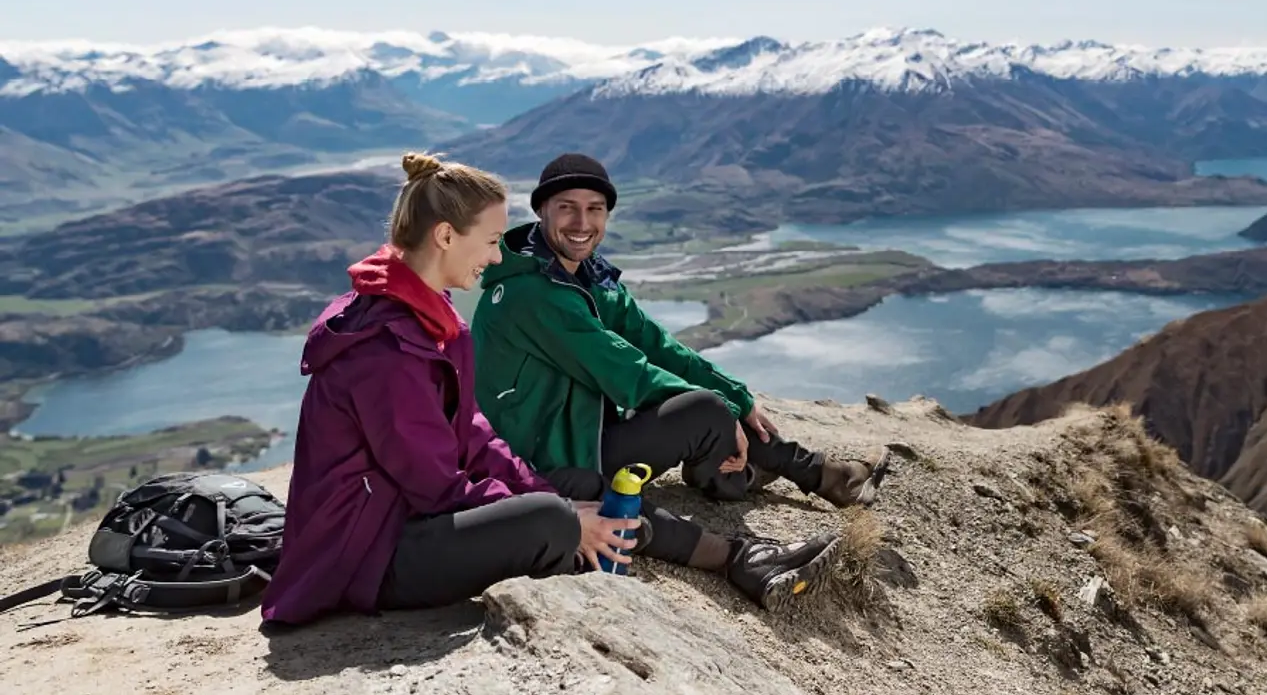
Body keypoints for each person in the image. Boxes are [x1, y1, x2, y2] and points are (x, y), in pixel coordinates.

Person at [260, 153, 844, 627]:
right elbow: (437, 485)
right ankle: (701, 546)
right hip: (367, 555)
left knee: (581, 487)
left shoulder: (435, 320)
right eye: (490, 240)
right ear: (444, 236)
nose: (496, 256)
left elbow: (472, 434)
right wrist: (560, 510)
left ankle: (740, 559)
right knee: (551, 519)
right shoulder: (383, 351)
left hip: (406, 521)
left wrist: (545, 485)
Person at [471, 152, 888, 509]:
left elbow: (656, 345)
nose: (582, 221)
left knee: (716, 405)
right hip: (556, 460)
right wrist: (725, 411)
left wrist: (739, 397)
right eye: (567, 207)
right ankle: (749, 475)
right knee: (706, 411)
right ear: (542, 210)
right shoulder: (533, 295)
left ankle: (820, 475)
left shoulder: (587, 276)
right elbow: (628, 373)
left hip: (586, 430)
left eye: (595, 208)